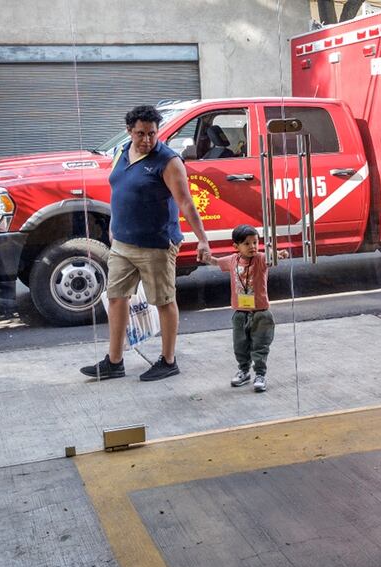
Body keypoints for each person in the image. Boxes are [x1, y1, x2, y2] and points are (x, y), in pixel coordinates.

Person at [81, 105, 211, 382]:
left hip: (157, 244)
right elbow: (119, 190)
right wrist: (115, 225)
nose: (147, 140)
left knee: (163, 300)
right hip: (123, 244)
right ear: (129, 131)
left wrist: (202, 240)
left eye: (152, 133)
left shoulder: (168, 161)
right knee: (116, 297)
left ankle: (168, 360)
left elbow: (185, 203)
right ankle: (114, 361)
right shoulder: (120, 153)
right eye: (141, 134)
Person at [206, 225, 288, 392]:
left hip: (260, 312)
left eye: (255, 242)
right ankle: (244, 371)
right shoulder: (233, 260)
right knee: (240, 344)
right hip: (240, 312)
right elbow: (216, 262)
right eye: (247, 243)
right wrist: (206, 257)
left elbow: (272, 258)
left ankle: (260, 374)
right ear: (236, 247)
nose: (252, 246)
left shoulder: (260, 258)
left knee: (260, 344)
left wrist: (277, 251)